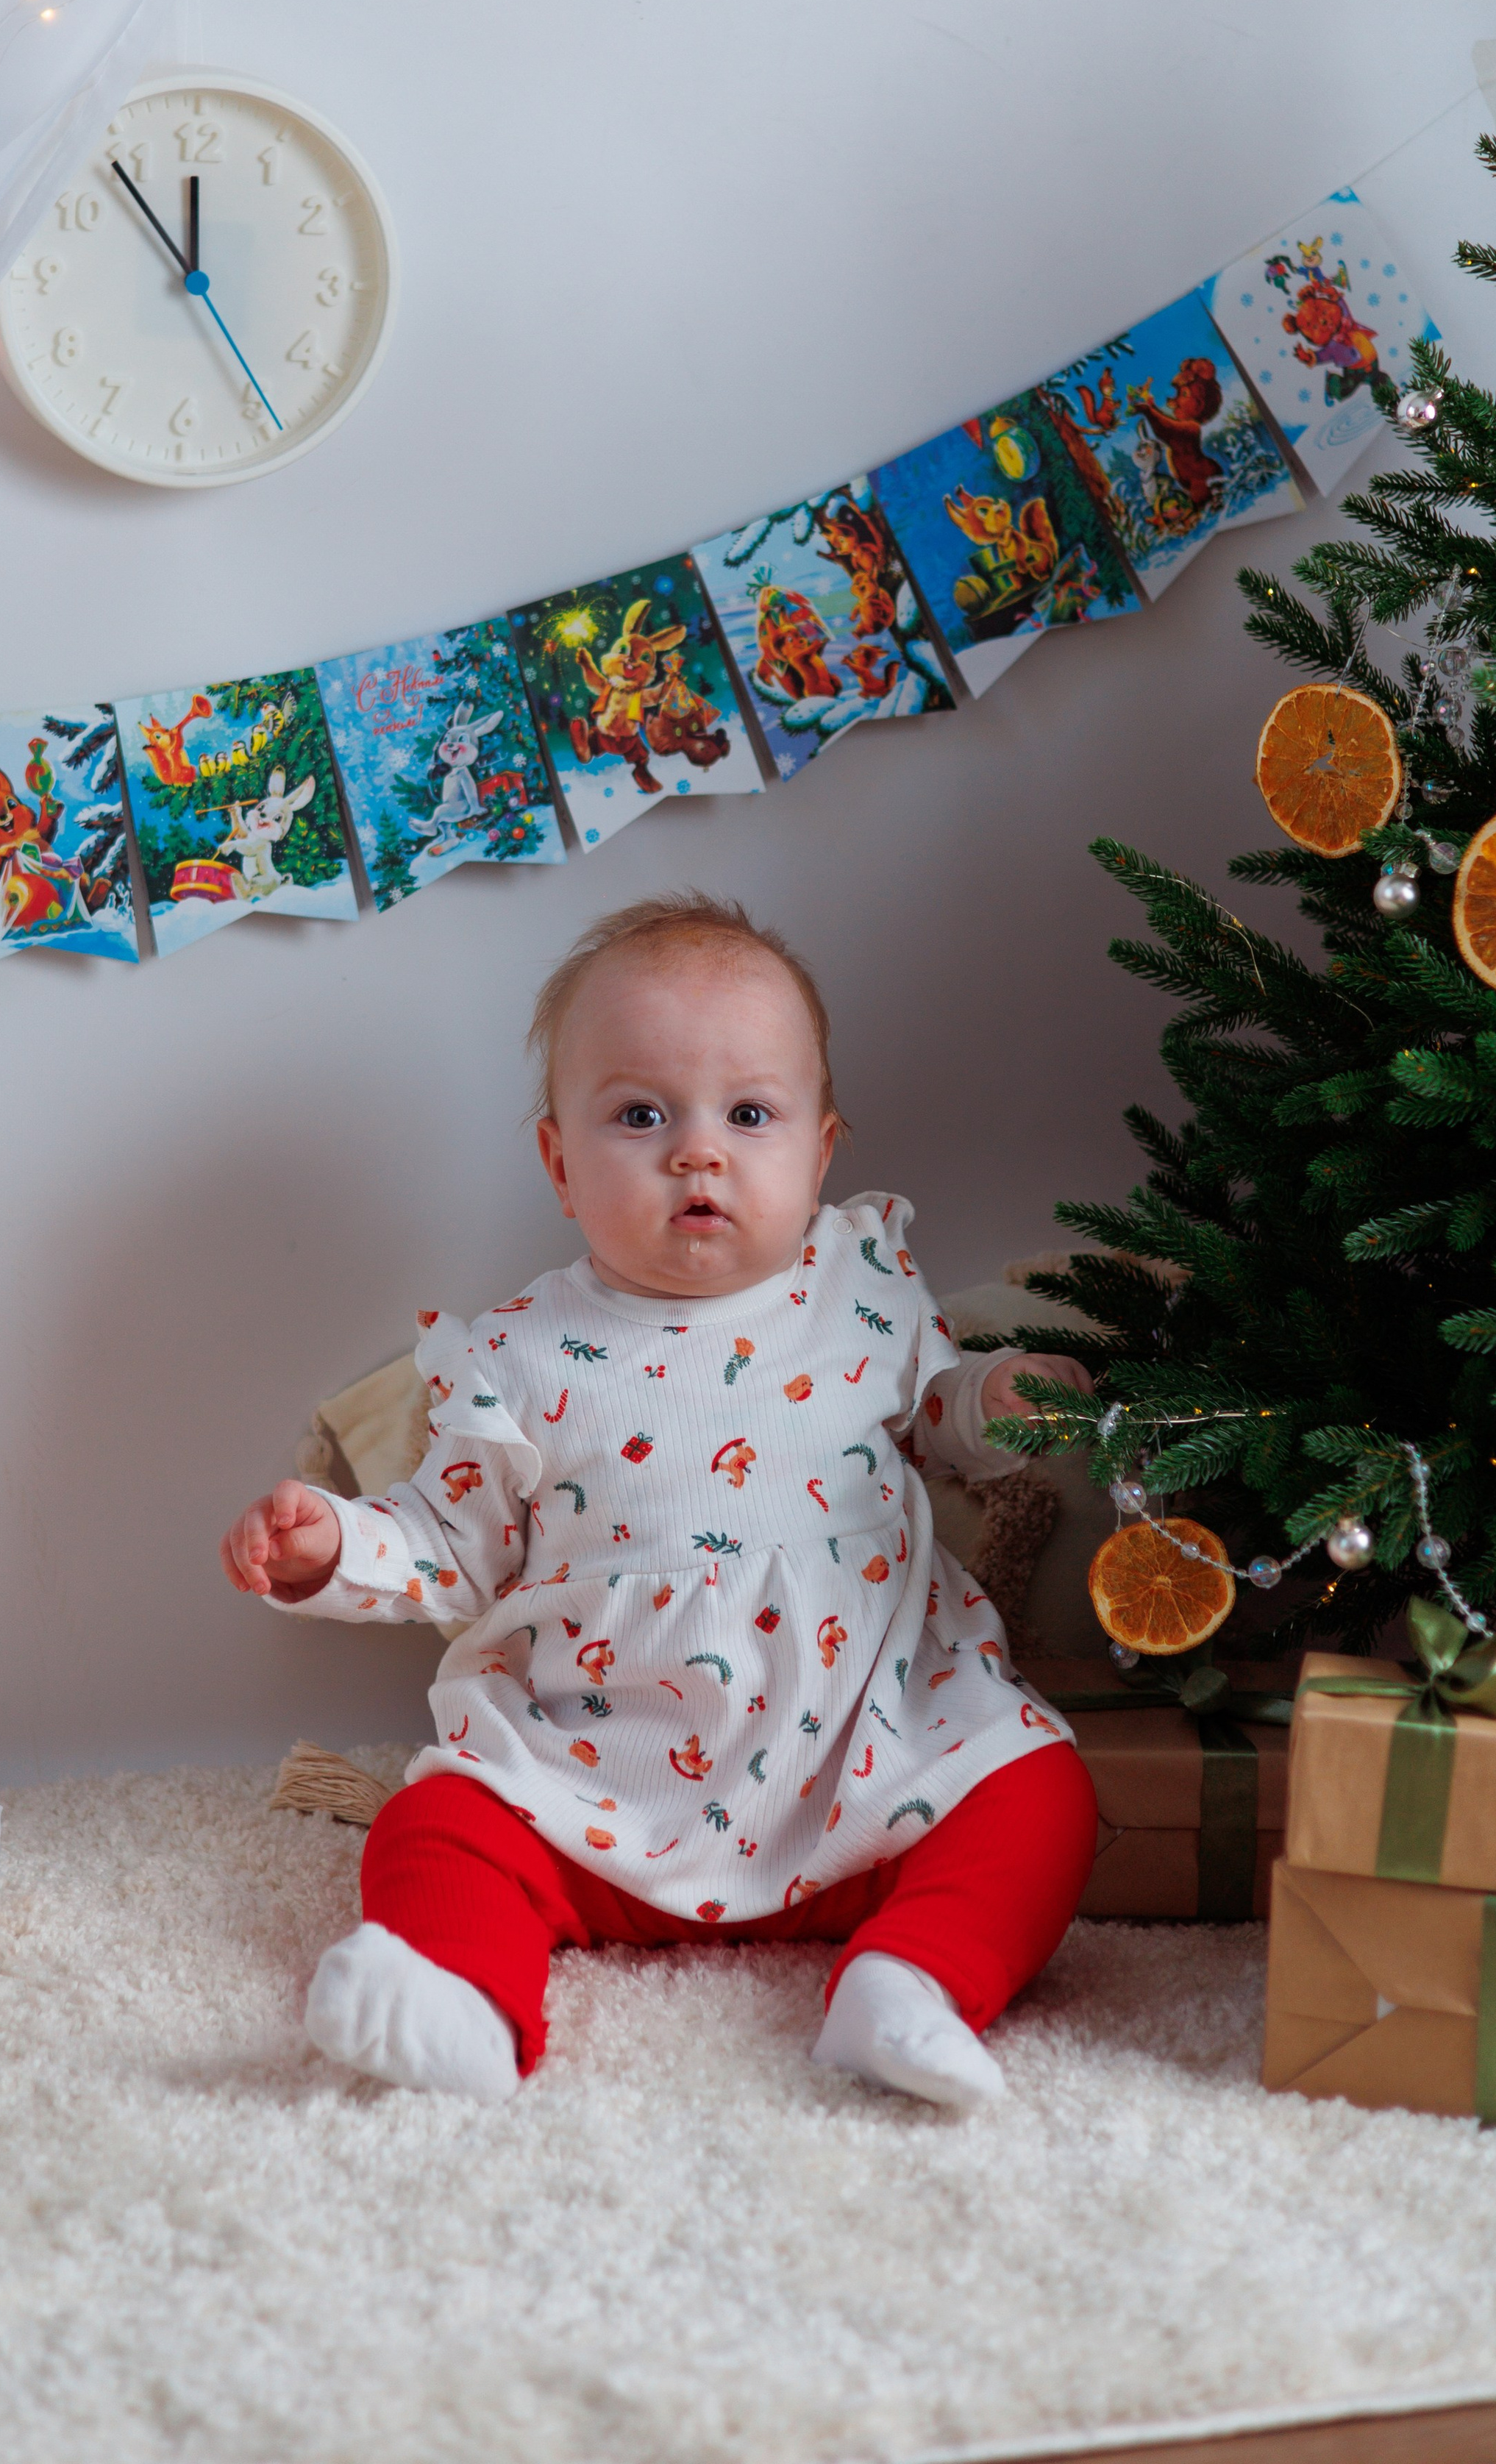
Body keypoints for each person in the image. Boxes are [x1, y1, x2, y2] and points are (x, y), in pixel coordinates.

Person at [219, 891, 1097, 2110]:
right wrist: (333, 1545)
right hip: (593, 1796)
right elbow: (447, 1543)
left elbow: (935, 1421)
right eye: (642, 1115)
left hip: (868, 1769)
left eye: (750, 1113)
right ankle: (465, 1999)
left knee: (1040, 1790)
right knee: (437, 1822)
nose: (699, 1151)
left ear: (821, 1151)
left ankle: (909, 1980)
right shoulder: (519, 1357)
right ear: (559, 1161)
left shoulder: (864, 1292)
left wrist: (1000, 1400)